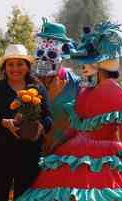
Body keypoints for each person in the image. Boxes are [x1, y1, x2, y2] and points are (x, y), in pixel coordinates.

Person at [17, 22, 122, 201]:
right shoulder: (84, 92)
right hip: (75, 149)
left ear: (99, 65)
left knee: (110, 198)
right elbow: (76, 125)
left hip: (107, 151)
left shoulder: (113, 89)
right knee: (63, 198)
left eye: (86, 65)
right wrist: (59, 143)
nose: (82, 70)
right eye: (81, 65)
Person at [0, 44, 52, 201]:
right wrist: (4, 123)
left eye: (19, 64)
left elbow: (48, 118)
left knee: (24, 200)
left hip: (29, 152)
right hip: (2, 152)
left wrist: (40, 128)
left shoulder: (37, 88)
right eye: (10, 64)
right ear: (4, 68)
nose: (15, 69)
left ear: (27, 66)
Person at [32, 18, 81, 155]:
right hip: (31, 152)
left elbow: (81, 120)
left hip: (63, 153)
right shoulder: (29, 80)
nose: (44, 59)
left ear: (62, 54)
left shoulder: (74, 83)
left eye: (52, 54)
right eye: (40, 53)